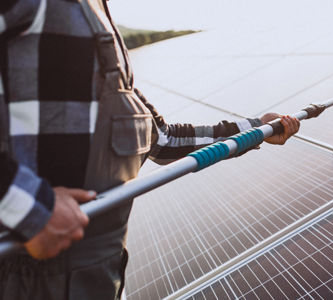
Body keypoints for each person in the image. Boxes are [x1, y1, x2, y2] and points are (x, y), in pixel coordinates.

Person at [0, 0, 300, 299]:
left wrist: (256, 128)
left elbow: (163, 141)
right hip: (27, 277)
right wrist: (28, 206)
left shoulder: (96, 20)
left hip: (96, 276)